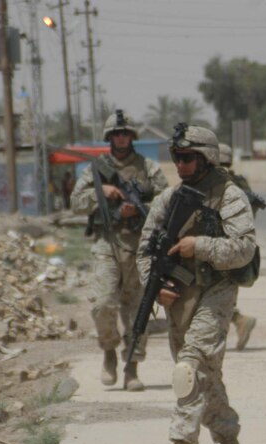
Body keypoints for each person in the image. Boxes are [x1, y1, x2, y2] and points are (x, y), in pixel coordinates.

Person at [138, 126, 258, 444]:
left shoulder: (229, 196)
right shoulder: (168, 199)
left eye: (188, 157)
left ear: (206, 157)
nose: (181, 164)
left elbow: (244, 248)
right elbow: (145, 251)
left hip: (217, 291)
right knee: (203, 377)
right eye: (177, 157)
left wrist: (199, 246)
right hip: (179, 297)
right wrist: (155, 286)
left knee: (188, 368)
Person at [71, 110, 168, 390]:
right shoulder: (96, 169)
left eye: (125, 133)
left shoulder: (147, 167)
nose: (121, 138)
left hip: (140, 245)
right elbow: (76, 201)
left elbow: (167, 198)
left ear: (132, 136)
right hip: (107, 244)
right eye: (116, 134)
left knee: (137, 311)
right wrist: (104, 193)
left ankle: (132, 368)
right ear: (109, 137)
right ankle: (110, 351)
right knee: (102, 303)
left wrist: (139, 209)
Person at [218, 142, 259, 351]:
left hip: (221, 246)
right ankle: (239, 321)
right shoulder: (240, 183)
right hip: (238, 246)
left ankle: (238, 320)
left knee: (214, 291)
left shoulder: (221, 183)